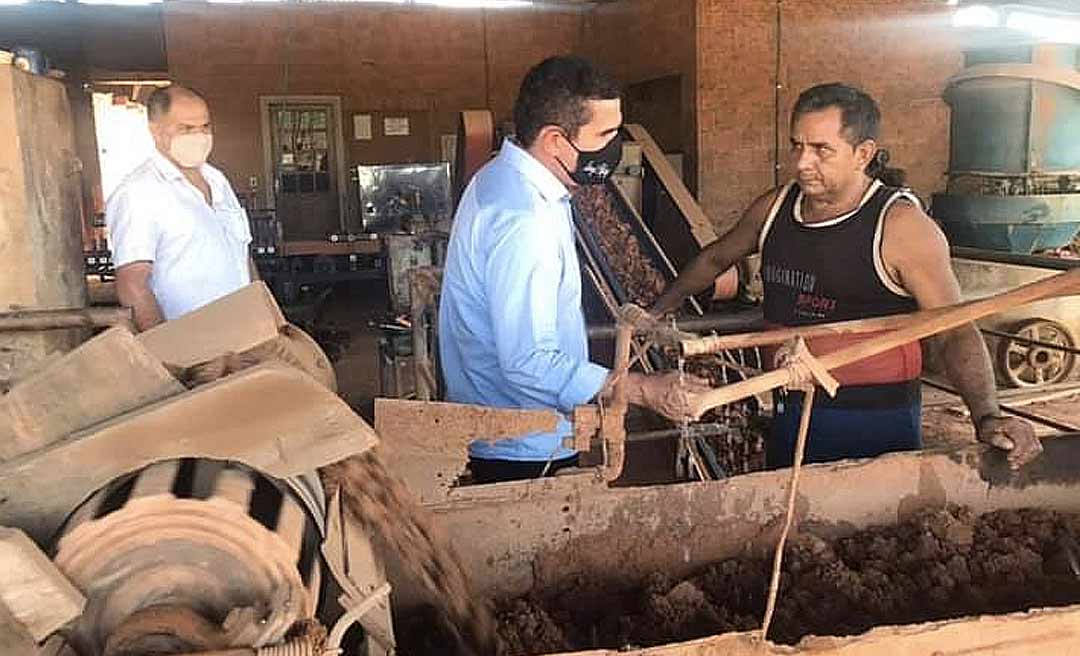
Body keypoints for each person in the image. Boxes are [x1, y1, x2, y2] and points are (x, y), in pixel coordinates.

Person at [651, 83, 1041, 471]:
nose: (802, 163)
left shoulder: (899, 226)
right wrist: (657, 312)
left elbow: (954, 329)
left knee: (866, 519)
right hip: (789, 404)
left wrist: (987, 415)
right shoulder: (775, 208)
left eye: (821, 150)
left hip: (873, 420)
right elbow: (716, 257)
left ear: (863, 154)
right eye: (797, 146)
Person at [439, 56, 709, 484]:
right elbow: (527, 360)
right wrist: (644, 389)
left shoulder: (499, 177)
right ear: (554, 141)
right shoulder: (526, 219)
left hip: (499, 423)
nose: (613, 148)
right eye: (604, 135)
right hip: (522, 442)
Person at [106, 85, 257, 331]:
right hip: (194, 347)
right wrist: (171, 354)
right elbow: (132, 284)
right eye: (186, 128)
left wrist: (262, 315)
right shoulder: (139, 193)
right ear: (156, 131)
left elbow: (241, 255)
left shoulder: (217, 180)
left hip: (243, 334)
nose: (199, 136)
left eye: (205, 127)